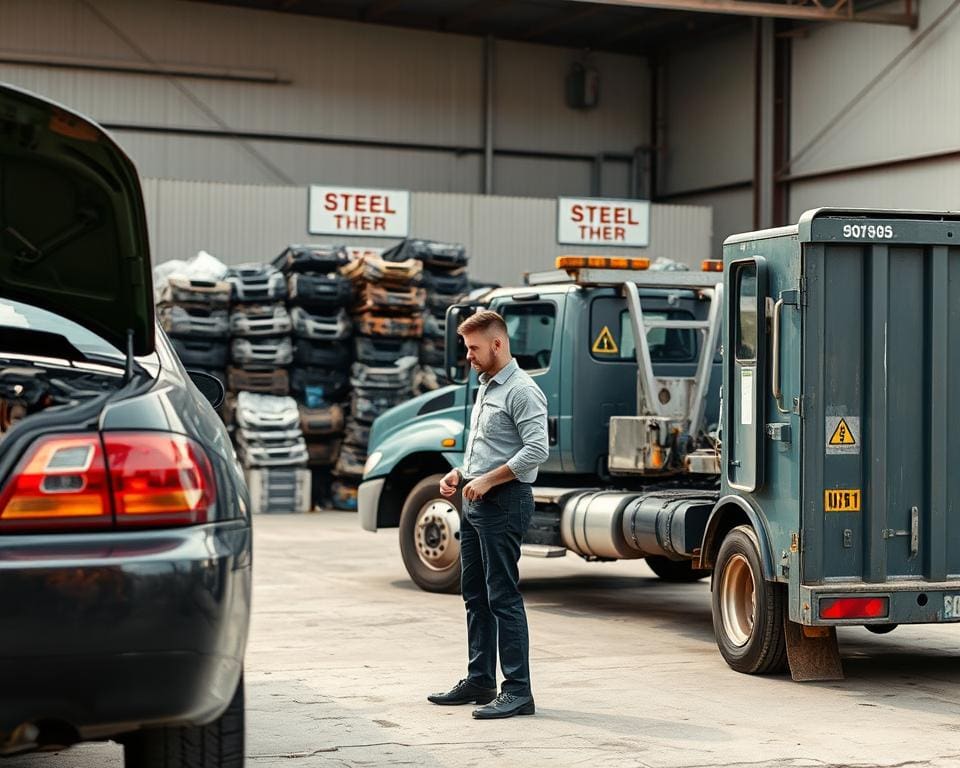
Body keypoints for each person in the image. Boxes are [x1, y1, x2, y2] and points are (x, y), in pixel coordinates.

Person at [426, 310, 549, 720]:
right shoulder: (485, 386)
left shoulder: (522, 390)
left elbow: (536, 450)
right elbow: (486, 446)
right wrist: (460, 473)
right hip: (476, 500)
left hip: (505, 501)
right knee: (475, 595)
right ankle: (480, 680)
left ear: (497, 344)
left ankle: (518, 691)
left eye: (474, 348)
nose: (468, 356)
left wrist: (489, 481)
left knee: (503, 597)